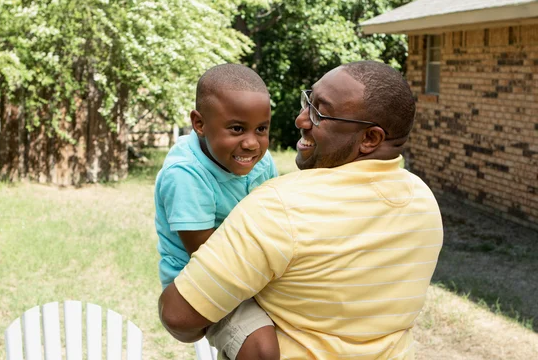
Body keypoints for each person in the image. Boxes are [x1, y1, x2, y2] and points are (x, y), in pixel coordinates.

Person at [159, 60, 444, 359]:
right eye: (308, 101)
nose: (300, 119)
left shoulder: (280, 207)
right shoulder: (423, 201)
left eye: (320, 113)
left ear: (370, 139)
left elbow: (179, 316)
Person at [154, 63, 280, 360]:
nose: (251, 143)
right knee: (260, 347)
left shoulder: (260, 162)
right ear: (199, 124)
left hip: (252, 267)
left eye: (261, 129)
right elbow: (209, 256)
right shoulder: (186, 174)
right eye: (237, 129)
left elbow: (276, 218)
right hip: (202, 278)